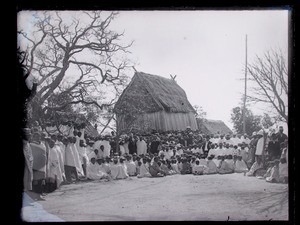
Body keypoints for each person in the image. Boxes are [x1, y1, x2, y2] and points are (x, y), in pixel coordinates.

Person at [30, 132, 47, 200]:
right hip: (35, 164)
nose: (37, 138)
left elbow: (45, 153)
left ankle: (39, 195)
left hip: (42, 164)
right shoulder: (31, 144)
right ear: (33, 137)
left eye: (38, 136)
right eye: (35, 136)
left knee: (41, 180)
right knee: (35, 181)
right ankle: (35, 195)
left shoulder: (43, 144)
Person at [23, 128, 33, 193]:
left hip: (28, 164)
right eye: (28, 135)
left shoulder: (28, 144)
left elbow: (30, 154)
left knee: (27, 181)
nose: (29, 136)